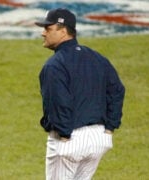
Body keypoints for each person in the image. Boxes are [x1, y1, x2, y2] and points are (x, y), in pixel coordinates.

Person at [35, 8, 125, 180]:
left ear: (63, 30)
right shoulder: (98, 58)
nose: (43, 33)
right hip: (99, 139)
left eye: (48, 29)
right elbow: (117, 91)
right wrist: (110, 128)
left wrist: (64, 134)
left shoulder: (55, 65)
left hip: (69, 141)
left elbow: (58, 103)